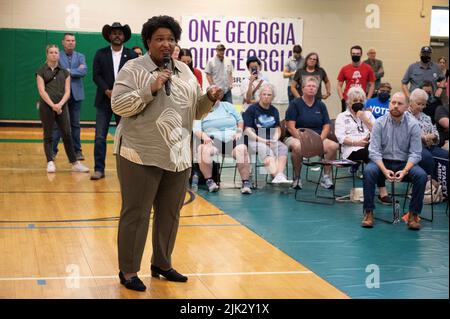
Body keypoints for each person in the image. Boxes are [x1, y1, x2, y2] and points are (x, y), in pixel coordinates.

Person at [111, 15, 223, 291]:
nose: (166, 44)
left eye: (171, 39)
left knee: (170, 214)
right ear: (148, 41)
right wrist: (151, 87)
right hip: (139, 153)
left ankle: (161, 263)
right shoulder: (133, 68)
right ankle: (128, 271)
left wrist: (208, 98)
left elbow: (195, 111)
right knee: (136, 214)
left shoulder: (185, 71)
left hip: (178, 155)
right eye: (160, 38)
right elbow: (119, 106)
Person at [361, 92, 426, 230]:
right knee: (368, 171)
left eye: (400, 103)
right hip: (382, 162)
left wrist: (405, 171)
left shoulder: (413, 125)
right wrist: (384, 170)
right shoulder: (379, 123)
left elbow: (416, 154)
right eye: (393, 103)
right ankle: (368, 212)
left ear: (407, 106)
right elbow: (374, 152)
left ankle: (413, 215)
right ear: (389, 104)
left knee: (421, 175)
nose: (395, 106)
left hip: (404, 163)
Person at [91, 22, 138, 180]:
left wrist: (120, 92)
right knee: (99, 137)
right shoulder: (100, 53)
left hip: (124, 101)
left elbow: (134, 77)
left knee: (126, 137)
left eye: (120, 33)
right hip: (104, 101)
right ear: (109, 36)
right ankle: (99, 169)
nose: (117, 35)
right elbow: (96, 75)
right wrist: (107, 90)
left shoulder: (131, 55)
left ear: (124, 36)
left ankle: (126, 170)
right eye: (114, 33)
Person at [36, 44, 89, 173]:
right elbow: (42, 91)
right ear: (47, 54)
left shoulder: (65, 72)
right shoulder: (41, 71)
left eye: (56, 52)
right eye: (51, 52)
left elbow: (67, 92)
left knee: (67, 133)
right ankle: (50, 161)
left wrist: (59, 105)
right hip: (47, 106)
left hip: (62, 106)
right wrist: (52, 105)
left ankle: (74, 163)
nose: (54, 54)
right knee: (48, 134)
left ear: (59, 55)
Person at [335, 86, 392, 204]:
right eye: (355, 101)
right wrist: (357, 142)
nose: (358, 103)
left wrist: (364, 118)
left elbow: (378, 133)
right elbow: (340, 138)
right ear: (348, 102)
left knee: (375, 154)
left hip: (369, 148)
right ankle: (382, 191)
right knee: (374, 155)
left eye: (361, 101)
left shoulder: (368, 115)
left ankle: (373, 190)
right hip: (351, 150)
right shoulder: (341, 117)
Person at [193, 91, 252, 194]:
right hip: (213, 139)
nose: (215, 97)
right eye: (211, 96)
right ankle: (210, 182)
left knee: (242, 149)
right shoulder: (200, 109)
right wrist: (204, 136)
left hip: (232, 137)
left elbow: (240, 121)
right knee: (202, 149)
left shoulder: (227, 106)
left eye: (216, 95)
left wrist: (239, 131)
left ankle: (245, 183)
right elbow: (197, 129)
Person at [284, 77, 338, 190]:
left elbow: (326, 125)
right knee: (297, 147)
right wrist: (303, 140)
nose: (311, 88)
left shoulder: (321, 105)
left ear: (317, 90)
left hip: (317, 138)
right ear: (303, 88)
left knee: (333, 146)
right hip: (296, 137)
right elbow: (291, 127)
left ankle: (326, 177)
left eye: (314, 86)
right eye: (309, 86)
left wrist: (319, 139)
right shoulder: (295, 104)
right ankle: (297, 178)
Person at [243, 83, 291, 184]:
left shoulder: (274, 110)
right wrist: (263, 141)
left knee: (283, 148)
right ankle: (278, 176)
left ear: (273, 97)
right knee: (266, 150)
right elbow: (247, 130)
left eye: (269, 95)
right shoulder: (252, 109)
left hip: (270, 139)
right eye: (264, 94)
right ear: (260, 95)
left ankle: (279, 175)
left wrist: (275, 138)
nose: (266, 97)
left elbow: (277, 127)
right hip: (255, 140)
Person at [52, 33, 87, 161]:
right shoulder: (57, 55)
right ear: (63, 42)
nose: (71, 42)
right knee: (57, 125)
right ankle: (52, 151)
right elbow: (56, 70)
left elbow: (84, 71)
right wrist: (75, 70)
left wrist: (68, 71)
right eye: (68, 40)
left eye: (73, 40)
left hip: (76, 96)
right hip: (61, 96)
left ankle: (77, 151)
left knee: (75, 125)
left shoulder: (81, 56)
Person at [408, 88, 448, 180]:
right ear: (411, 102)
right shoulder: (405, 116)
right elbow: (406, 135)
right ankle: (430, 185)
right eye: (418, 104)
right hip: (413, 148)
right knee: (427, 158)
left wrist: (433, 136)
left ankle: (443, 186)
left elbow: (435, 132)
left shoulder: (426, 117)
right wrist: (422, 137)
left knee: (446, 156)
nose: (421, 107)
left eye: (423, 104)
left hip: (429, 146)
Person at [337, 45, 376, 112]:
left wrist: (368, 99)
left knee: (360, 119)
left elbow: (372, 84)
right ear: (351, 54)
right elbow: (339, 85)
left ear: (361, 54)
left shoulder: (368, 68)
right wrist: (342, 99)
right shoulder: (345, 68)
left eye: (357, 54)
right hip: (348, 100)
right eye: (353, 54)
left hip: (361, 100)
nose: (355, 55)